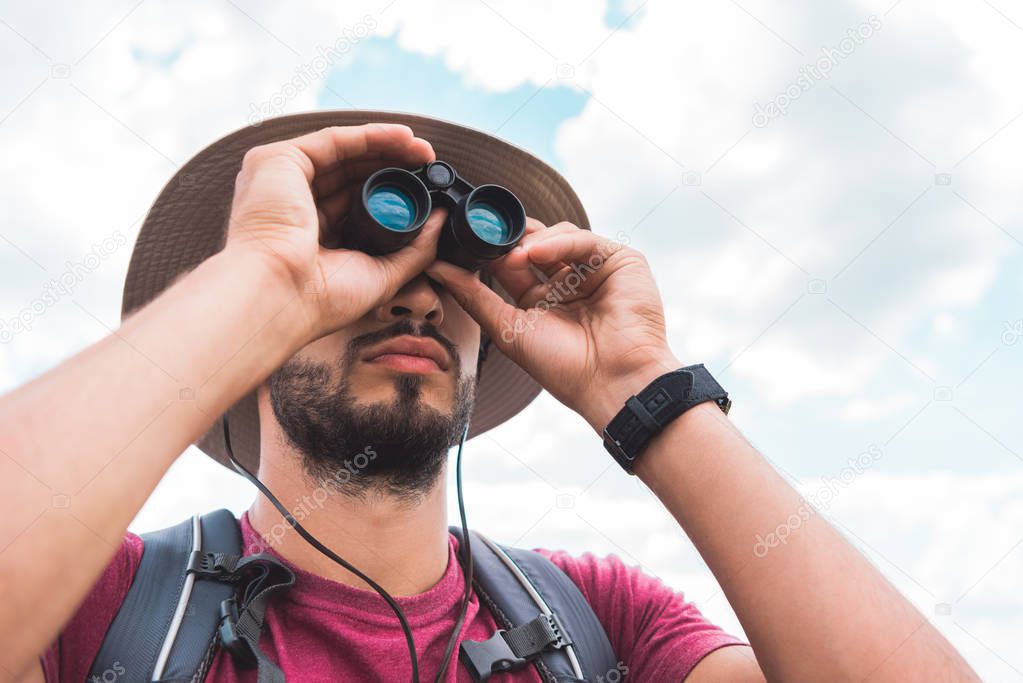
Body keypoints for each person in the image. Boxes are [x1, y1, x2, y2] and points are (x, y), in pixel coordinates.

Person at [0, 113, 977, 682]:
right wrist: (262, 280)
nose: (414, 287)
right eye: (364, 243)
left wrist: (644, 389)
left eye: (451, 256)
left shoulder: (600, 618)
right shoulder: (106, 604)